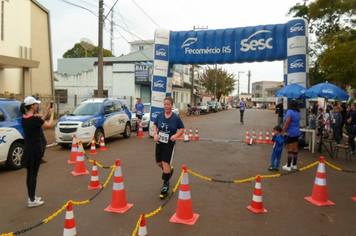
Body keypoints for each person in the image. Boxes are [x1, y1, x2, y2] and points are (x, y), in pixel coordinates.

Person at [20, 96, 54, 208]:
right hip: (35, 149)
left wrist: (48, 112)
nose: (37, 106)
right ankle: (32, 200)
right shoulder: (34, 119)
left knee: (30, 173)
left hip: (28, 148)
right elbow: (48, 125)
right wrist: (52, 113)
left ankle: (31, 196)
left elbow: (40, 122)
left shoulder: (25, 118)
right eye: (36, 104)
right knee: (33, 174)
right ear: (32, 106)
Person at [153, 97, 184, 197]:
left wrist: (175, 136)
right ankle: (169, 170)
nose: (166, 106)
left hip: (169, 144)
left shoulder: (176, 118)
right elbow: (155, 125)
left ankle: (165, 185)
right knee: (159, 163)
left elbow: (182, 128)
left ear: (172, 105)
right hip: (159, 143)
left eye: (168, 104)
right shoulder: (160, 116)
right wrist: (155, 134)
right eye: (165, 104)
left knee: (165, 163)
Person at [282, 100, 301, 171]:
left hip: (290, 132)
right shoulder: (298, 112)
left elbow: (287, 122)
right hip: (297, 132)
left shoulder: (289, 112)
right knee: (295, 148)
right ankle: (294, 164)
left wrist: (284, 130)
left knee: (290, 148)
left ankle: (288, 165)